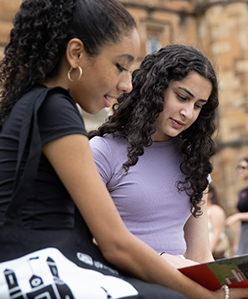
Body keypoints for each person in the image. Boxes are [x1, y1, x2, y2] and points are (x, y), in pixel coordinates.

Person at [0, 0, 248, 298]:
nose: (127, 83)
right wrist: (209, 296)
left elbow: (197, 256)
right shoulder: (56, 110)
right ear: (75, 53)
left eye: (198, 106)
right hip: (37, 273)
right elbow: (113, 244)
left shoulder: (40, 104)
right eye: (120, 66)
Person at [88, 44, 223, 269]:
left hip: (180, 287)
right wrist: (161, 260)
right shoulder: (103, 151)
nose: (188, 113)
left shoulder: (194, 161)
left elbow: (200, 256)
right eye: (182, 97)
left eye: (198, 106)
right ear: (155, 89)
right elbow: (90, 242)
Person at [207, 184, 229, 259]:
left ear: (210, 194)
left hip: (215, 253)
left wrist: (208, 253)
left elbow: (217, 233)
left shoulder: (215, 210)